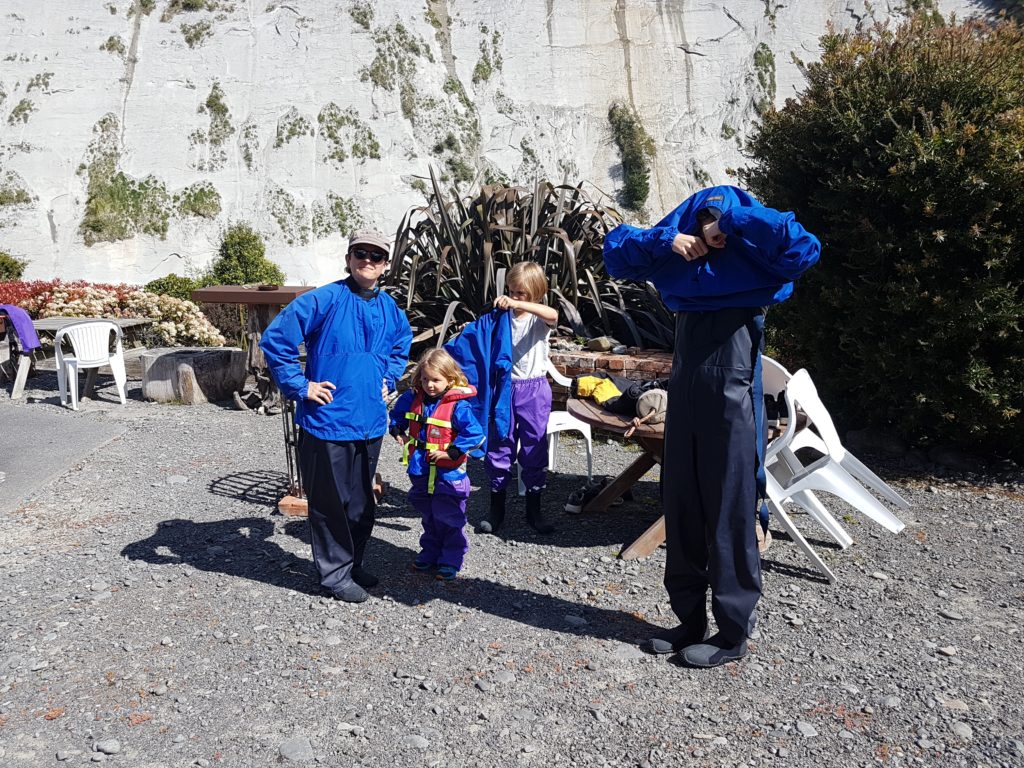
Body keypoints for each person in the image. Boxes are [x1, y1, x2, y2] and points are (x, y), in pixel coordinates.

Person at [603, 185, 820, 667]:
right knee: (682, 498)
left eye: (716, 223)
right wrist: (668, 241)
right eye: (705, 222)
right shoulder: (676, 242)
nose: (710, 233)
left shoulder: (754, 240)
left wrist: (732, 225)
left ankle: (733, 633)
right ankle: (689, 620)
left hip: (735, 369)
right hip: (688, 368)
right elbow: (616, 252)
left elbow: (803, 247)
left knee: (730, 502)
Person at [260, 229, 412, 603]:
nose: (367, 261)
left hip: (370, 422)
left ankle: (352, 563)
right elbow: (277, 339)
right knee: (330, 504)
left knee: (361, 503)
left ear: (385, 265)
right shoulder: (324, 299)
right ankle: (333, 576)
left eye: (375, 256)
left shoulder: (390, 309)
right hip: (327, 421)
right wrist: (300, 385)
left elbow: (400, 345)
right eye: (360, 254)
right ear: (348, 259)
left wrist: (389, 378)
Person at [476, 261, 559, 535]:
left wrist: (521, 304)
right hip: (505, 388)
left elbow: (553, 314)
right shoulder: (501, 318)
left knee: (534, 445)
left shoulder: (538, 318)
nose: (515, 297)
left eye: (521, 293)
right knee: (500, 443)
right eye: (511, 291)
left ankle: (534, 509)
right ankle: (496, 508)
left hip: (534, 389)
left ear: (535, 292)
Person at [388, 348, 486, 580]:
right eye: (425, 379)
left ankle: (451, 558)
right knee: (429, 514)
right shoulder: (412, 398)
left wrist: (451, 453)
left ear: (450, 380)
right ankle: (430, 551)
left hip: (448, 473)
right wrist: (396, 429)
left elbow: (475, 433)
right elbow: (397, 415)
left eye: (435, 380)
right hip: (420, 467)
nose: (429, 385)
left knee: (450, 516)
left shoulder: (457, 406)